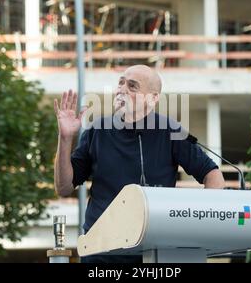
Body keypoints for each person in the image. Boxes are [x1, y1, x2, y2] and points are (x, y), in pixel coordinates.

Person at [53, 65, 225, 263]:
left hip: (154, 250)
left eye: (132, 86)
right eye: (121, 82)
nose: (122, 89)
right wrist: (65, 138)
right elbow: (64, 187)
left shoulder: (170, 130)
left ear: (153, 98)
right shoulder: (97, 131)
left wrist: (197, 225)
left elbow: (214, 177)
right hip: (102, 252)